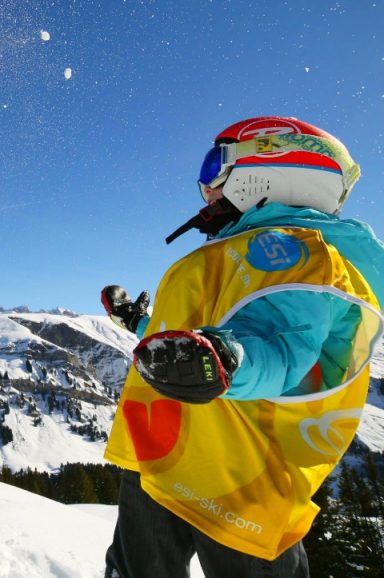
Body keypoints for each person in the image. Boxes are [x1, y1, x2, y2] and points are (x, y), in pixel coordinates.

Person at [100, 116, 384, 578]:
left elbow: (279, 347)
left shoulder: (295, 252)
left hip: (238, 478)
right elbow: (193, 331)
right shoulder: (233, 252)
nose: (204, 188)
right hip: (162, 453)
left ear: (274, 166)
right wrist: (138, 321)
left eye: (215, 167)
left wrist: (226, 362)